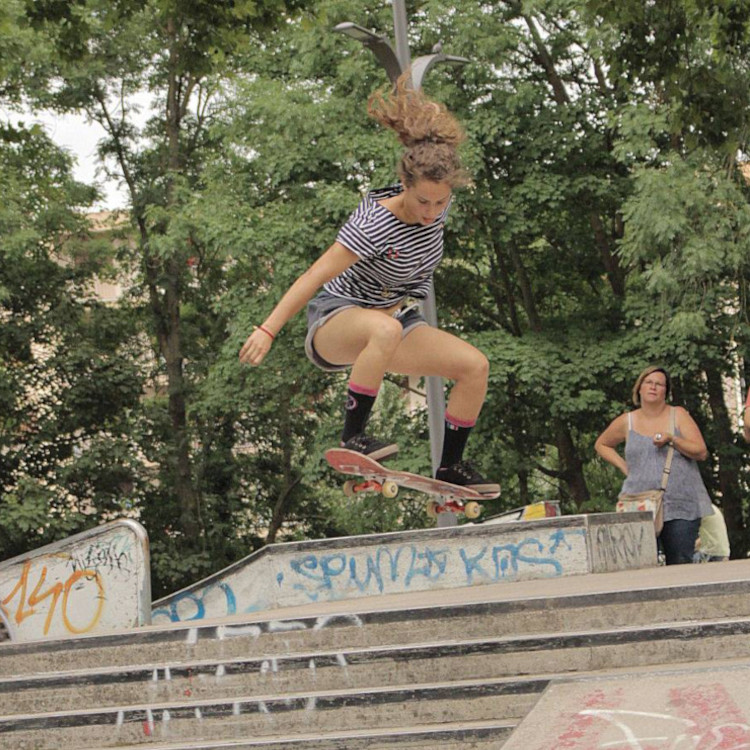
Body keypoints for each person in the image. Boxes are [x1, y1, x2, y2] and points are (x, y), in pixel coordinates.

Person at [239, 74, 498, 494]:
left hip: (393, 323)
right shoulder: (375, 222)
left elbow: (438, 182)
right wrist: (268, 329)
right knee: (385, 326)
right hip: (335, 322)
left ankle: (450, 467)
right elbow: (313, 276)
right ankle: (352, 437)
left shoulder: (438, 204)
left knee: (474, 366)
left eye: (440, 202)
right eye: (422, 202)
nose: (431, 212)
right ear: (404, 187)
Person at [595, 365, 713, 565]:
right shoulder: (627, 421)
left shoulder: (678, 415)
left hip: (680, 504)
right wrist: (625, 467)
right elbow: (602, 444)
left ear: (665, 392)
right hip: (639, 502)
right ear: (639, 388)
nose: (653, 387)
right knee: (639, 564)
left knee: (680, 562)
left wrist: (672, 439)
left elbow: (700, 451)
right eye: (648, 382)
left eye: (659, 384)